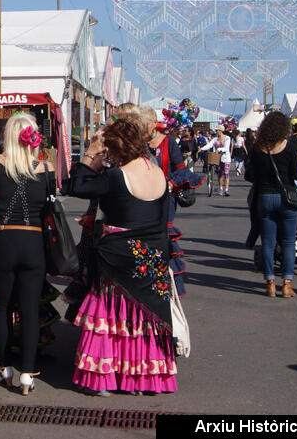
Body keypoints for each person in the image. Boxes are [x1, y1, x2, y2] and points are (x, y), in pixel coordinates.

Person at [67, 120, 176, 396]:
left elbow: (78, 187)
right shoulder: (159, 173)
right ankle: (143, 378)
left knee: (109, 313)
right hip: (153, 253)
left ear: (116, 150)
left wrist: (91, 154)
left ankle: (104, 377)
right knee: (145, 316)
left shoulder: (119, 176)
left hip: (119, 252)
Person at [0, 113, 52, 395]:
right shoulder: (44, 167)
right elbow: (50, 207)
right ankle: (28, 373)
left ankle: (5, 368)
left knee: (2, 307)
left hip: (3, 237)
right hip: (34, 241)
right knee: (29, 309)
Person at [244, 113, 297, 298]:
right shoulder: (290, 146)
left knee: (268, 243)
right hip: (286, 198)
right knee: (287, 242)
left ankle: (270, 283)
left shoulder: (257, 148)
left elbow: (250, 175)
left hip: (265, 197)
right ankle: (287, 284)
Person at [148, 122, 188, 297]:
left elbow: (181, 170)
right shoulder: (140, 144)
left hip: (167, 198)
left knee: (165, 236)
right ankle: (151, 281)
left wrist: (170, 182)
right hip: (144, 197)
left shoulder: (169, 142)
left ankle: (173, 287)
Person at [207, 128, 233, 195]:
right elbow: (209, 145)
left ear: (221, 130)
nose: (216, 132)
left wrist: (219, 149)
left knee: (226, 174)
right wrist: (202, 148)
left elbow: (226, 148)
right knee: (220, 174)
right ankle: (220, 188)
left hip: (226, 158)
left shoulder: (227, 138)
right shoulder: (215, 139)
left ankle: (226, 189)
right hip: (217, 158)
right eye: (216, 130)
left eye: (217, 130)